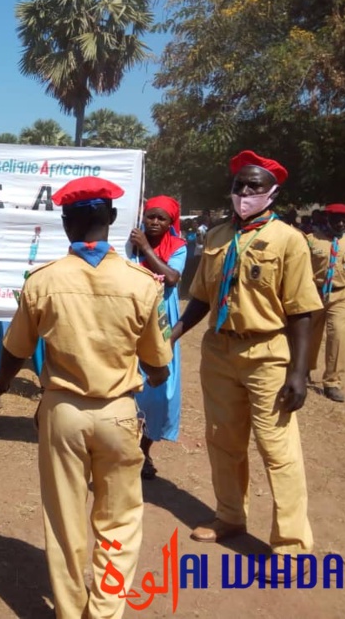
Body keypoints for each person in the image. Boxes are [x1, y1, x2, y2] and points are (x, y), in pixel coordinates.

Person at [0, 176, 172, 619]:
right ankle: (105, 611)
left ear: (66, 221)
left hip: (62, 412)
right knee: (120, 520)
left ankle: (70, 611)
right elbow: (159, 367)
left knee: (65, 520)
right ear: (110, 218)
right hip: (119, 414)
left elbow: (13, 352)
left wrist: (1, 385)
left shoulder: (42, 281)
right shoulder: (143, 283)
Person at [170, 150, 321, 570]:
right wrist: (173, 335)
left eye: (254, 186)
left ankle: (290, 542)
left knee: (278, 449)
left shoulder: (288, 240)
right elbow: (201, 298)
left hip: (267, 352)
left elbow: (302, 312)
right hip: (219, 350)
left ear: (272, 192)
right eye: (240, 185)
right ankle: (230, 516)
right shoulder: (217, 236)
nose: (245, 192)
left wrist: (299, 372)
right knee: (223, 441)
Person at [128, 196, 187, 479]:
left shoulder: (178, 247)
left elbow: (172, 278)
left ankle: (144, 449)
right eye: (150, 216)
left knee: (161, 391)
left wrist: (146, 249)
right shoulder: (129, 243)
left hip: (163, 322)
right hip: (131, 318)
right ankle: (124, 449)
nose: (154, 222)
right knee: (129, 384)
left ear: (170, 222)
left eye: (161, 218)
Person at [307, 203, 345, 402]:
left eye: (344, 220)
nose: (340, 224)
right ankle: (304, 367)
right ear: (327, 220)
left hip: (341, 295)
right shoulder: (312, 241)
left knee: (338, 335)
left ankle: (333, 381)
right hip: (314, 293)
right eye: (336, 220)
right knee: (310, 335)